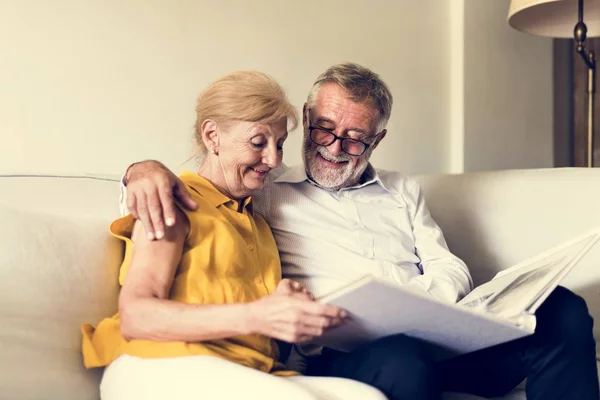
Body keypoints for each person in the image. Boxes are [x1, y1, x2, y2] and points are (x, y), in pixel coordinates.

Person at [120, 63, 599, 400]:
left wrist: (425, 301)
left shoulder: (400, 190)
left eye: (355, 137)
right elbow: (207, 180)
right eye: (324, 129)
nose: (334, 147)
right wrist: (139, 168)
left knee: (562, 310)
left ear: (378, 139)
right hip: (354, 350)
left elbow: (448, 265)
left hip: (443, 334)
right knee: (400, 357)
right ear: (307, 120)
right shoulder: (268, 187)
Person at [81, 70, 387, 400]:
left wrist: (286, 305)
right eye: (258, 142)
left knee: (367, 397)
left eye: (280, 145)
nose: (272, 159)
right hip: (159, 363)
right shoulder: (175, 201)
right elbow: (136, 316)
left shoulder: (258, 223)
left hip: (242, 370)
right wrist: (259, 315)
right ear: (212, 136)